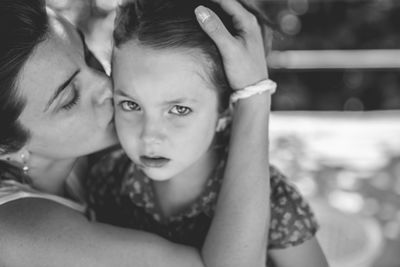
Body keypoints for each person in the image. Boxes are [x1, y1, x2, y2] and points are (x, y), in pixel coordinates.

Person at [0, 0, 273, 266]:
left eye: (88, 57)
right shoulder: (13, 230)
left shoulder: (95, 156)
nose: (108, 86)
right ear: (7, 147)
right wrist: (254, 94)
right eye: (70, 97)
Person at [86, 0, 329, 266]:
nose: (149, 136)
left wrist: (255, 93)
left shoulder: (274, 202)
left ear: (224, 109)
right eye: (131, 105)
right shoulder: (106, 180)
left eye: (179, 109)